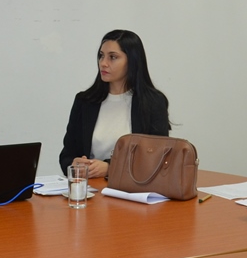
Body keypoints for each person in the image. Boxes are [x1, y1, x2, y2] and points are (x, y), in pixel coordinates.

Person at [59, 29, 172, 176]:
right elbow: (67, 154)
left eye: (112, 57)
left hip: (132, 190)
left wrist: (110, 168)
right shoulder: (84, 101)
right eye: (101, 56)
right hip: (90, 190)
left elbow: (157, 157)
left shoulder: (152, 102)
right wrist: (74, 164)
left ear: (132, 61)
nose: (103, 63)